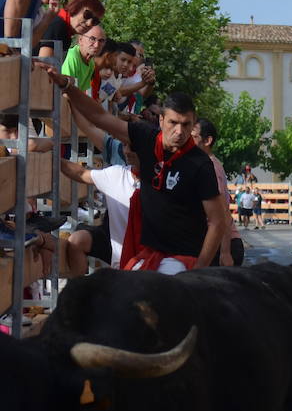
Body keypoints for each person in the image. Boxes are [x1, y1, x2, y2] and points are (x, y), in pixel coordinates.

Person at [48, 71, 229, 274]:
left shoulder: (201, 164)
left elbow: (217, 221)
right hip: (148, 255)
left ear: (194, 122)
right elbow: (99, 116)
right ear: (161, 120)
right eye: (173, 123)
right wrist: (67, 86)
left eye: (186, 124)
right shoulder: (145, 137)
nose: (179, 131)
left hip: (183, 258)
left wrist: (199, 269)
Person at [58, 150, 140, 274]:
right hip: (113, 240)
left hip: (146, 248)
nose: (127, 150)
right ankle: (81, 290)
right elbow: (81, 173)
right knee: (77, 240)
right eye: (125, 145)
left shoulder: (162, 180)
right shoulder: (117, 174)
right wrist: (55, 154)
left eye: (133, 146)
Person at [193, 117, 242, 266]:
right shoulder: (203, 164)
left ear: (207, 141)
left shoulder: (211, 167)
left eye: (193, 137)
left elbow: (223, 212)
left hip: (222, 246)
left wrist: (225, 252)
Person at [60, 25, 105, 92]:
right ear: (80, 40)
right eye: (92, 39)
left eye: (101, 41)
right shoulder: (72, 57)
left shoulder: (91, 63)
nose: (97, 45)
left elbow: (82, 91)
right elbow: (66, 91)